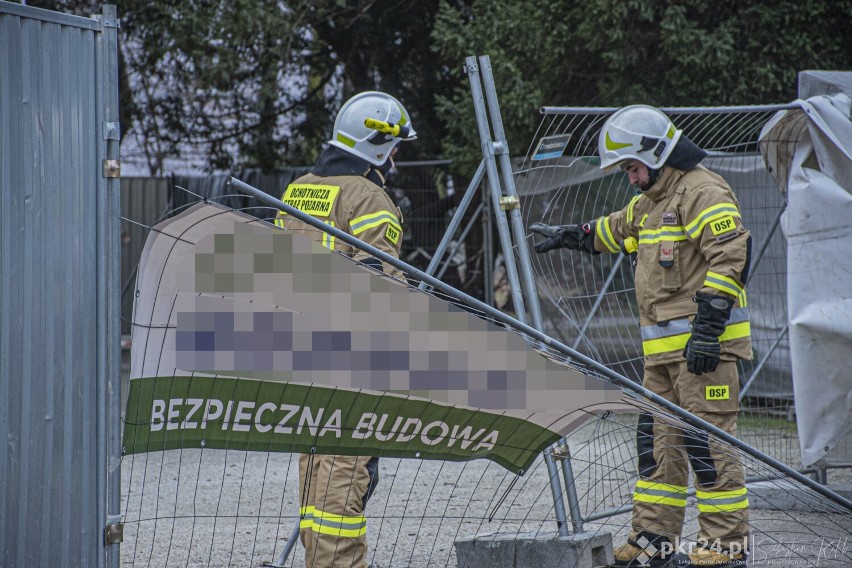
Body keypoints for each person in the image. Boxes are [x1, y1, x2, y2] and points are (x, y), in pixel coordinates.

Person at [531, 105, 752, 568]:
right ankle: (654, 541)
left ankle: (726, 547)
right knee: (656, 448)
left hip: (705, 353)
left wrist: (708, 332)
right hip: (663, 359)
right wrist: (572, 235)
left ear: (655, 154)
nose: (630, 179)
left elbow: (731, 257)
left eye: (632, 168)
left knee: (708, 448)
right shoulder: (650, 202)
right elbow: (615, 229)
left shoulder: (703, 192)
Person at [274, 91, 415, 567]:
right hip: (353, 360)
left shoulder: (298, 189)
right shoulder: (369, 197)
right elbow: (382, 287)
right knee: (346, 472)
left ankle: (319, 560)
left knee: (315, 468)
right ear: (378, 145)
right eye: (395, 148)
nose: (396, 158)